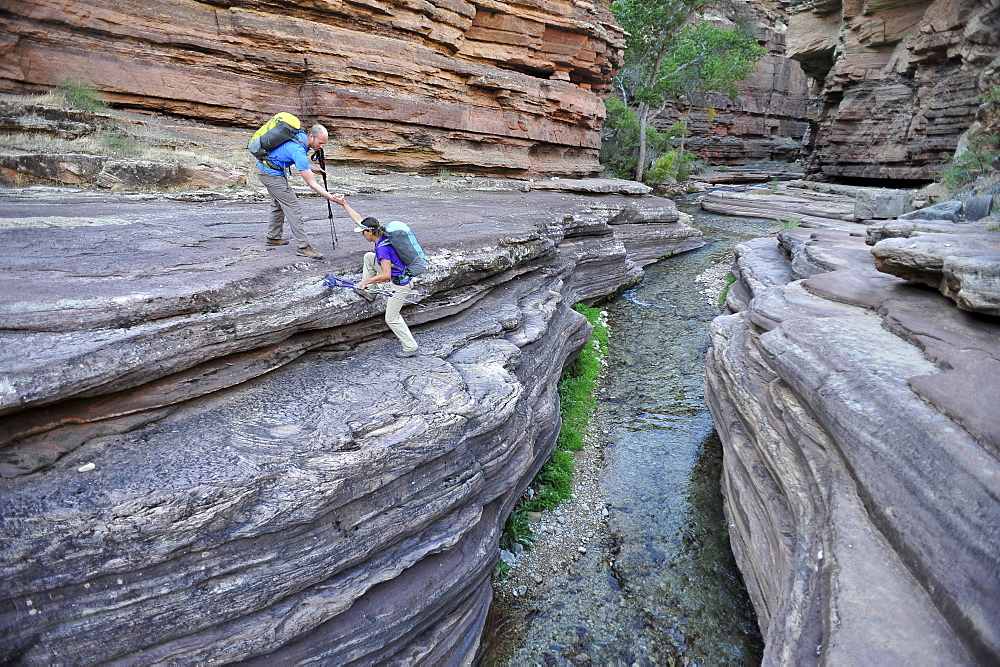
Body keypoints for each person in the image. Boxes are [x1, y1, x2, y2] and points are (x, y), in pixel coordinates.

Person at [331, 193, 420, 358]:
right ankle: (370, 292)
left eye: (363, 232)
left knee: (391, 318)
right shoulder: (381, 234)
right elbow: (359, 219)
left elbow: (386, 274)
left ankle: (410, 347)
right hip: (396, 275)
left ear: (370, 231)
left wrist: (366, 281)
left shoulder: (382, 248)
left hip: (400, 283)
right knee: (368, 257)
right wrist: (344, 204)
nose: (362, 234)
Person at [256, 123, 337, 259]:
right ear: (311, 136)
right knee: (294, 207)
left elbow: (291, 155)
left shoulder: (300, 137)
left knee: (277, 205)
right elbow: (312, 183)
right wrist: (331, 197)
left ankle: (273, 237)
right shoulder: (299, 150)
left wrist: (311, 167)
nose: (321, 146)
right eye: (321, 142)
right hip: (271, 175)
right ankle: (303, 247)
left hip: (267, 170)